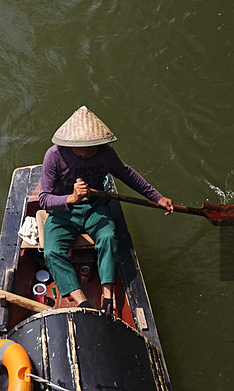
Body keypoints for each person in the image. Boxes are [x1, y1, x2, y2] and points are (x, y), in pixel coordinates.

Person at [38, 106, 174, 315]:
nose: (89, 151)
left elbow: (127, 174)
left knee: (109, 237)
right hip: (64, 212)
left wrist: (157, 197)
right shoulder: (54, 156)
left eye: (93, 147)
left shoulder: (106, 154)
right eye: (83, 148)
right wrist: (71, 198)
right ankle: (82, 302)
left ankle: (108, 296)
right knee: (52, 252)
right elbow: (44, 199)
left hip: (95, 207)